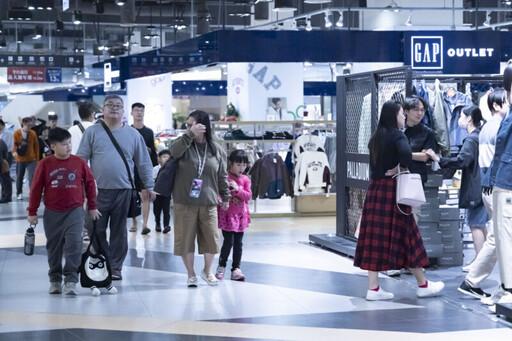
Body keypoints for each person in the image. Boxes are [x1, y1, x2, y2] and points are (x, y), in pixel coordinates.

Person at [353, 100, 444, 301]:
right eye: (402, 114)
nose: (404, 117)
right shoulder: (397, 135)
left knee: (373, 239)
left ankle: (373, 288)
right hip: (394, 193)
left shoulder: (376, 138)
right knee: (409, 235)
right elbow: (405, 153)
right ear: (394, 116)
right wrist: (401, 167)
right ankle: (423, 284)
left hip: (376, 190)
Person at [76, 95, 156, 281]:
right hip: (97, 191)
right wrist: (80, 187)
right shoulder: (92, 132)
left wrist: (149, 186)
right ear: (102, 110)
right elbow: (81, 161)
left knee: (119, 231)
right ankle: (102, 260)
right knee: (95, 228)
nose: (114, 108)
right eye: (110, 105)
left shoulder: (133, 134)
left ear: (123, 111)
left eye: (118, 106)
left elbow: (143, 163)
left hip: (124, 190)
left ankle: (116, 266)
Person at [27, 128, 101, 296]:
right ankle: (55, 280)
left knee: (74, 245)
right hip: (52, 212)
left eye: (70, 143)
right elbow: (36, 189)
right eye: (63, 144)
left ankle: (71, 281)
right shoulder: (44, 164)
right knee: (54, 249)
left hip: (75, 211)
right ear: (53, 146)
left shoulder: (79, 162)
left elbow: (90, 184)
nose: (68, 147)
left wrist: (92, 207)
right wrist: (32, 212)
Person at [170, 110, 230, 287]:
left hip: (209, 202)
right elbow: (174, 152)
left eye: (192, 124)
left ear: (203, 126)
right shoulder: (183, 143)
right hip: (184, 202)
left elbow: (222, 176)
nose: (188, 127)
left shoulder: (217, 149)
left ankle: (207, 271)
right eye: (187, 125)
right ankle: (191, 274)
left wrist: (225, 195)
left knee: (211, 240)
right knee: (185, 240)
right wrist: (189, 134)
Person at [457, 89, 508, 299]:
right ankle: (475, 281)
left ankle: (501, 287)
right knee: (498, 237)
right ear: (496, 105)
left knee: (499, 236)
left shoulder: (489, 126)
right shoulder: (499, 126)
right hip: (497, 186)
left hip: (490, 186)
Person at [432, 106, 489, 258]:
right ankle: (484, 262)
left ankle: (479, 264)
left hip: (475, 187)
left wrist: (439, 159)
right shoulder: (480, 135)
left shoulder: (471, 139)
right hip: (483, 185)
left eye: (462, 116)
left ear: (469, 118)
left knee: (475, 224)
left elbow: (462, 161)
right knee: (480, 223)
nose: (459, 120)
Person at [480, 63, 512, 307]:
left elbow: (501, 149)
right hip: (503, 180)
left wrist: (491, 180)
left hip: (506, 182)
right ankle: (505, 287)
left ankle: (509, 289)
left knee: (504, 236)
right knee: (502, 236)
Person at [215, 149, 251, 282]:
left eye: (244, 165)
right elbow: (219, 193)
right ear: (230, 163)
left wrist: (238, 189)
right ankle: (221, 266)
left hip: (241, 216)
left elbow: (248, 196)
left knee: (238, 243)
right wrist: (220, 201)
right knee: (228, 242)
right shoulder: (225, 177)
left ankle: (236, 268)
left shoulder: (245, 179)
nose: (241, 168)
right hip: (227, 216)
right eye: (238, 164)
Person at [129, 103, 158, 235]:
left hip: (144, 167)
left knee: (145, 195)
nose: (139, 113)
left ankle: (145, 224)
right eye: (136, 110)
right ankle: (134, 221)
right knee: (133, 195)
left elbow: (153, 152)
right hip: (131, 168)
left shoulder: (149, 132)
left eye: (141, 110)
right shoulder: (127, 130)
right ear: (131, 113)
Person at [13, 117, 39, 200]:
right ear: (23, 124)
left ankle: (33, 192)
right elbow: (14, 144)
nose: (29, 127)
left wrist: (37, 159)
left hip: (31, 159)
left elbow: (36, 147)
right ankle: (19, 193)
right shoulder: (16, 133)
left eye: (31, 125)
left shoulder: (33, 133)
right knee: (19, 176)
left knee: (32, 177)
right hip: (20, 159)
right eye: (28, 125)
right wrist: (14, 152)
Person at [153, 149, 172, 234]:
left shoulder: (171, 170)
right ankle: (157, 223)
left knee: (166, 210)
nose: (166, 159)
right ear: (159, 159)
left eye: (168, 157)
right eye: (164, 157)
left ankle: (166, 225)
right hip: (156, 194)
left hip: (166, 193)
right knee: (157, 210)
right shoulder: (155, 169)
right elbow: (152, 179)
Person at [0, 119, 13, 203]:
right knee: (2, 178)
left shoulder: (7, 133)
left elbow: (5, 147)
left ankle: (7, 196)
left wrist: (4, 158)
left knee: (5, 177)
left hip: (5, 157)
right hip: (2, 156)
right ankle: (4, 195)